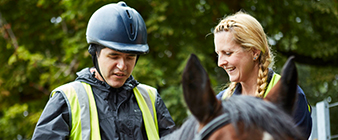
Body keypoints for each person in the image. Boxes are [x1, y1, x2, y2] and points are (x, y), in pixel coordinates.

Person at [32, 2, 175, 140]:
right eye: (114, 56)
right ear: (95, 53)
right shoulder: (67, 99)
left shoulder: (150, 99)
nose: (122, 66)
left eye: (130, 58)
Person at [213, 11, 312, 138]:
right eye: (218, 54)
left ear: (255, 52)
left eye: (227, 53)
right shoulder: (221, 101)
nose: (220, 63)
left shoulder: (291, 96)